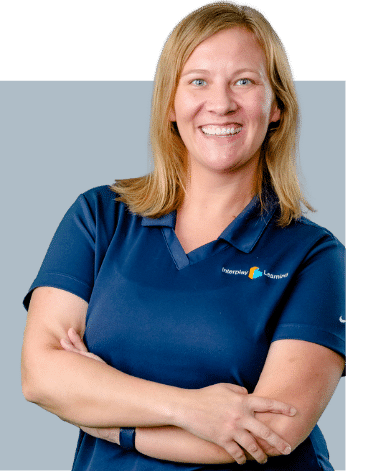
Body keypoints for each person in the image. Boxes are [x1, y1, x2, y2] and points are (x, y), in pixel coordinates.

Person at [21, 1, 346, 470]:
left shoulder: (314, 255)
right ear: (170, 104)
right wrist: (191, 409)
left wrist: (105, 415)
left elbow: (272, 433)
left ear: (276, 106)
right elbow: (40, 375)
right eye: (198, 81)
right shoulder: (100, 217)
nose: (221, 103)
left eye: (244, 81)